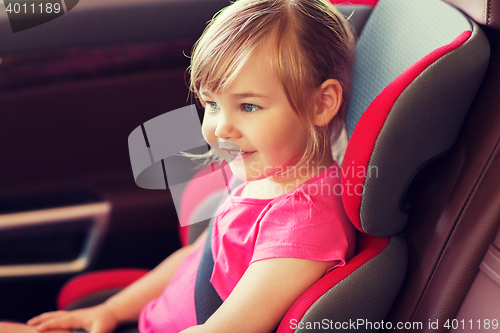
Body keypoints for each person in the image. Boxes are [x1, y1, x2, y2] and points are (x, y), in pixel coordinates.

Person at [1, 0, 356, 332]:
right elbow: (197, 255)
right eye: (212, 105)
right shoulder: (270, 175)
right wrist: (111, 309)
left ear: (322, 104)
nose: (220, 129)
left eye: (248, 106)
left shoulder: (304, 226)